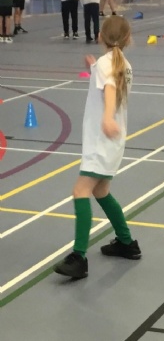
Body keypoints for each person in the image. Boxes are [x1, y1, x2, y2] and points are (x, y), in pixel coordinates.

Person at [53, 17, 140, 279]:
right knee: (101, 191)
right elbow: (109, 79)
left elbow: (110, 88)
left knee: (80, 191)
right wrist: (93, 67)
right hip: (113, 142)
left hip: (101, 140)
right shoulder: (122, 64)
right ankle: (126, 243)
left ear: (100, 36)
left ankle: (79, 257)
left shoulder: (106, 63)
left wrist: (107, 117)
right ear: (127, 39)